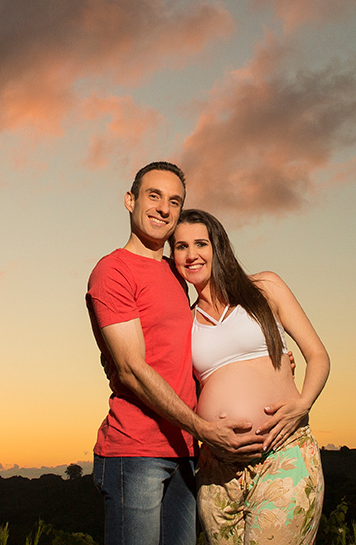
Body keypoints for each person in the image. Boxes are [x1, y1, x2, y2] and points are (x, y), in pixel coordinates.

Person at [86, 162, 264, 545]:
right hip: (135, 451)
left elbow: (199, 345)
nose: (164, 209)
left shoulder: (177, 272)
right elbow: (131, 369)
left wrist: (262, 365)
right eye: (154, 196)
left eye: (174, 201)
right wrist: (204, 429)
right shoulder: (113, 271)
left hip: (184, 451)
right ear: (130, 200)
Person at [171, 208, 330, 545]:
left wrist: (303, 403)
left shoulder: (265, 287)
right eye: (181, 246)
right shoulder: (186, 321)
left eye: (200, 243)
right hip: (217, 473)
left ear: (218, 246)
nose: (191, 254)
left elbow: (317, 355)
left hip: (282, 454)